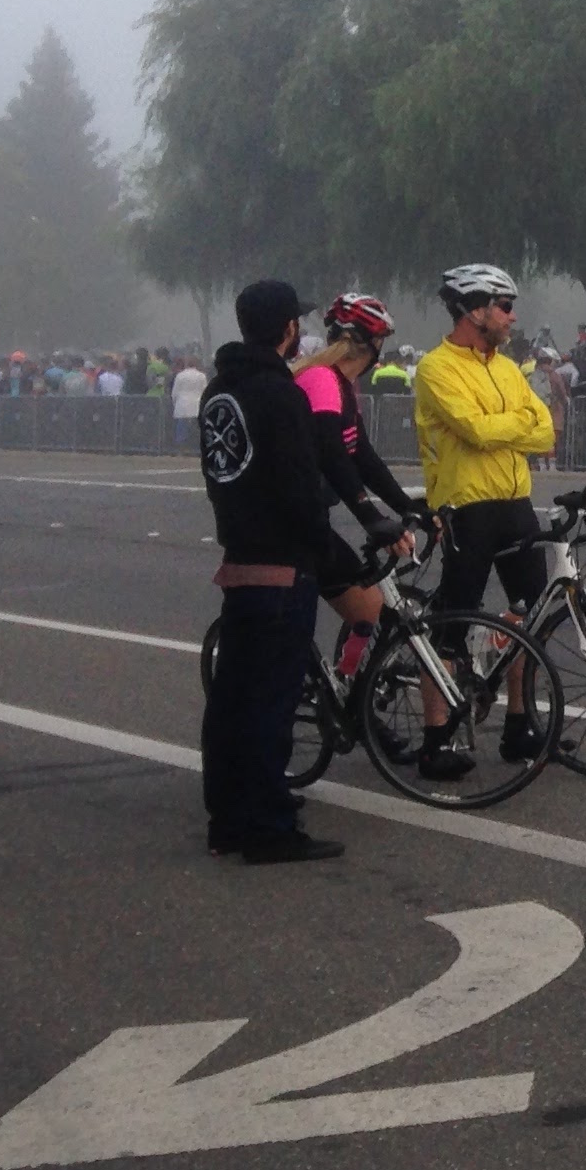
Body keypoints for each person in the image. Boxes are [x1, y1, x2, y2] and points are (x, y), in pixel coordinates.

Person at [196, 279, 345, 863]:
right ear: (288, 328)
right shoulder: (279, 394)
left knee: (231, 700)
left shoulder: (219, 390)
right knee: (271, 703)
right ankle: (268, 825)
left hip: (239, 554)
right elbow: (299, 483)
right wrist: (320, 539)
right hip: (284, 562)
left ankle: (228, 817)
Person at [412, 262, 557, 778]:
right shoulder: (435, 368)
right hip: (465, 507)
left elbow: (546, 432)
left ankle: (520, 724)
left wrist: (505, 428)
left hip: (515, 503)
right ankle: (435, 739)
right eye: (505, 306)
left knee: (533, 618)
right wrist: (516, 426)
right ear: (475, 311)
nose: (513, 317)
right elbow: (473, 430)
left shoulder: (508, 367)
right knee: (452, 624)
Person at [293, 293, 421, 677]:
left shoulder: (343, 386)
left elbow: (363, 457)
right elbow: (333, 455)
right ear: (375, 343)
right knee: (367, 611)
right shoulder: (321, 379)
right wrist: (372, 518)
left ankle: (347, 691)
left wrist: (407, 507)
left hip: (310, 519)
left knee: (369, 612)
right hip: (290, 524)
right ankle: (332, 689)